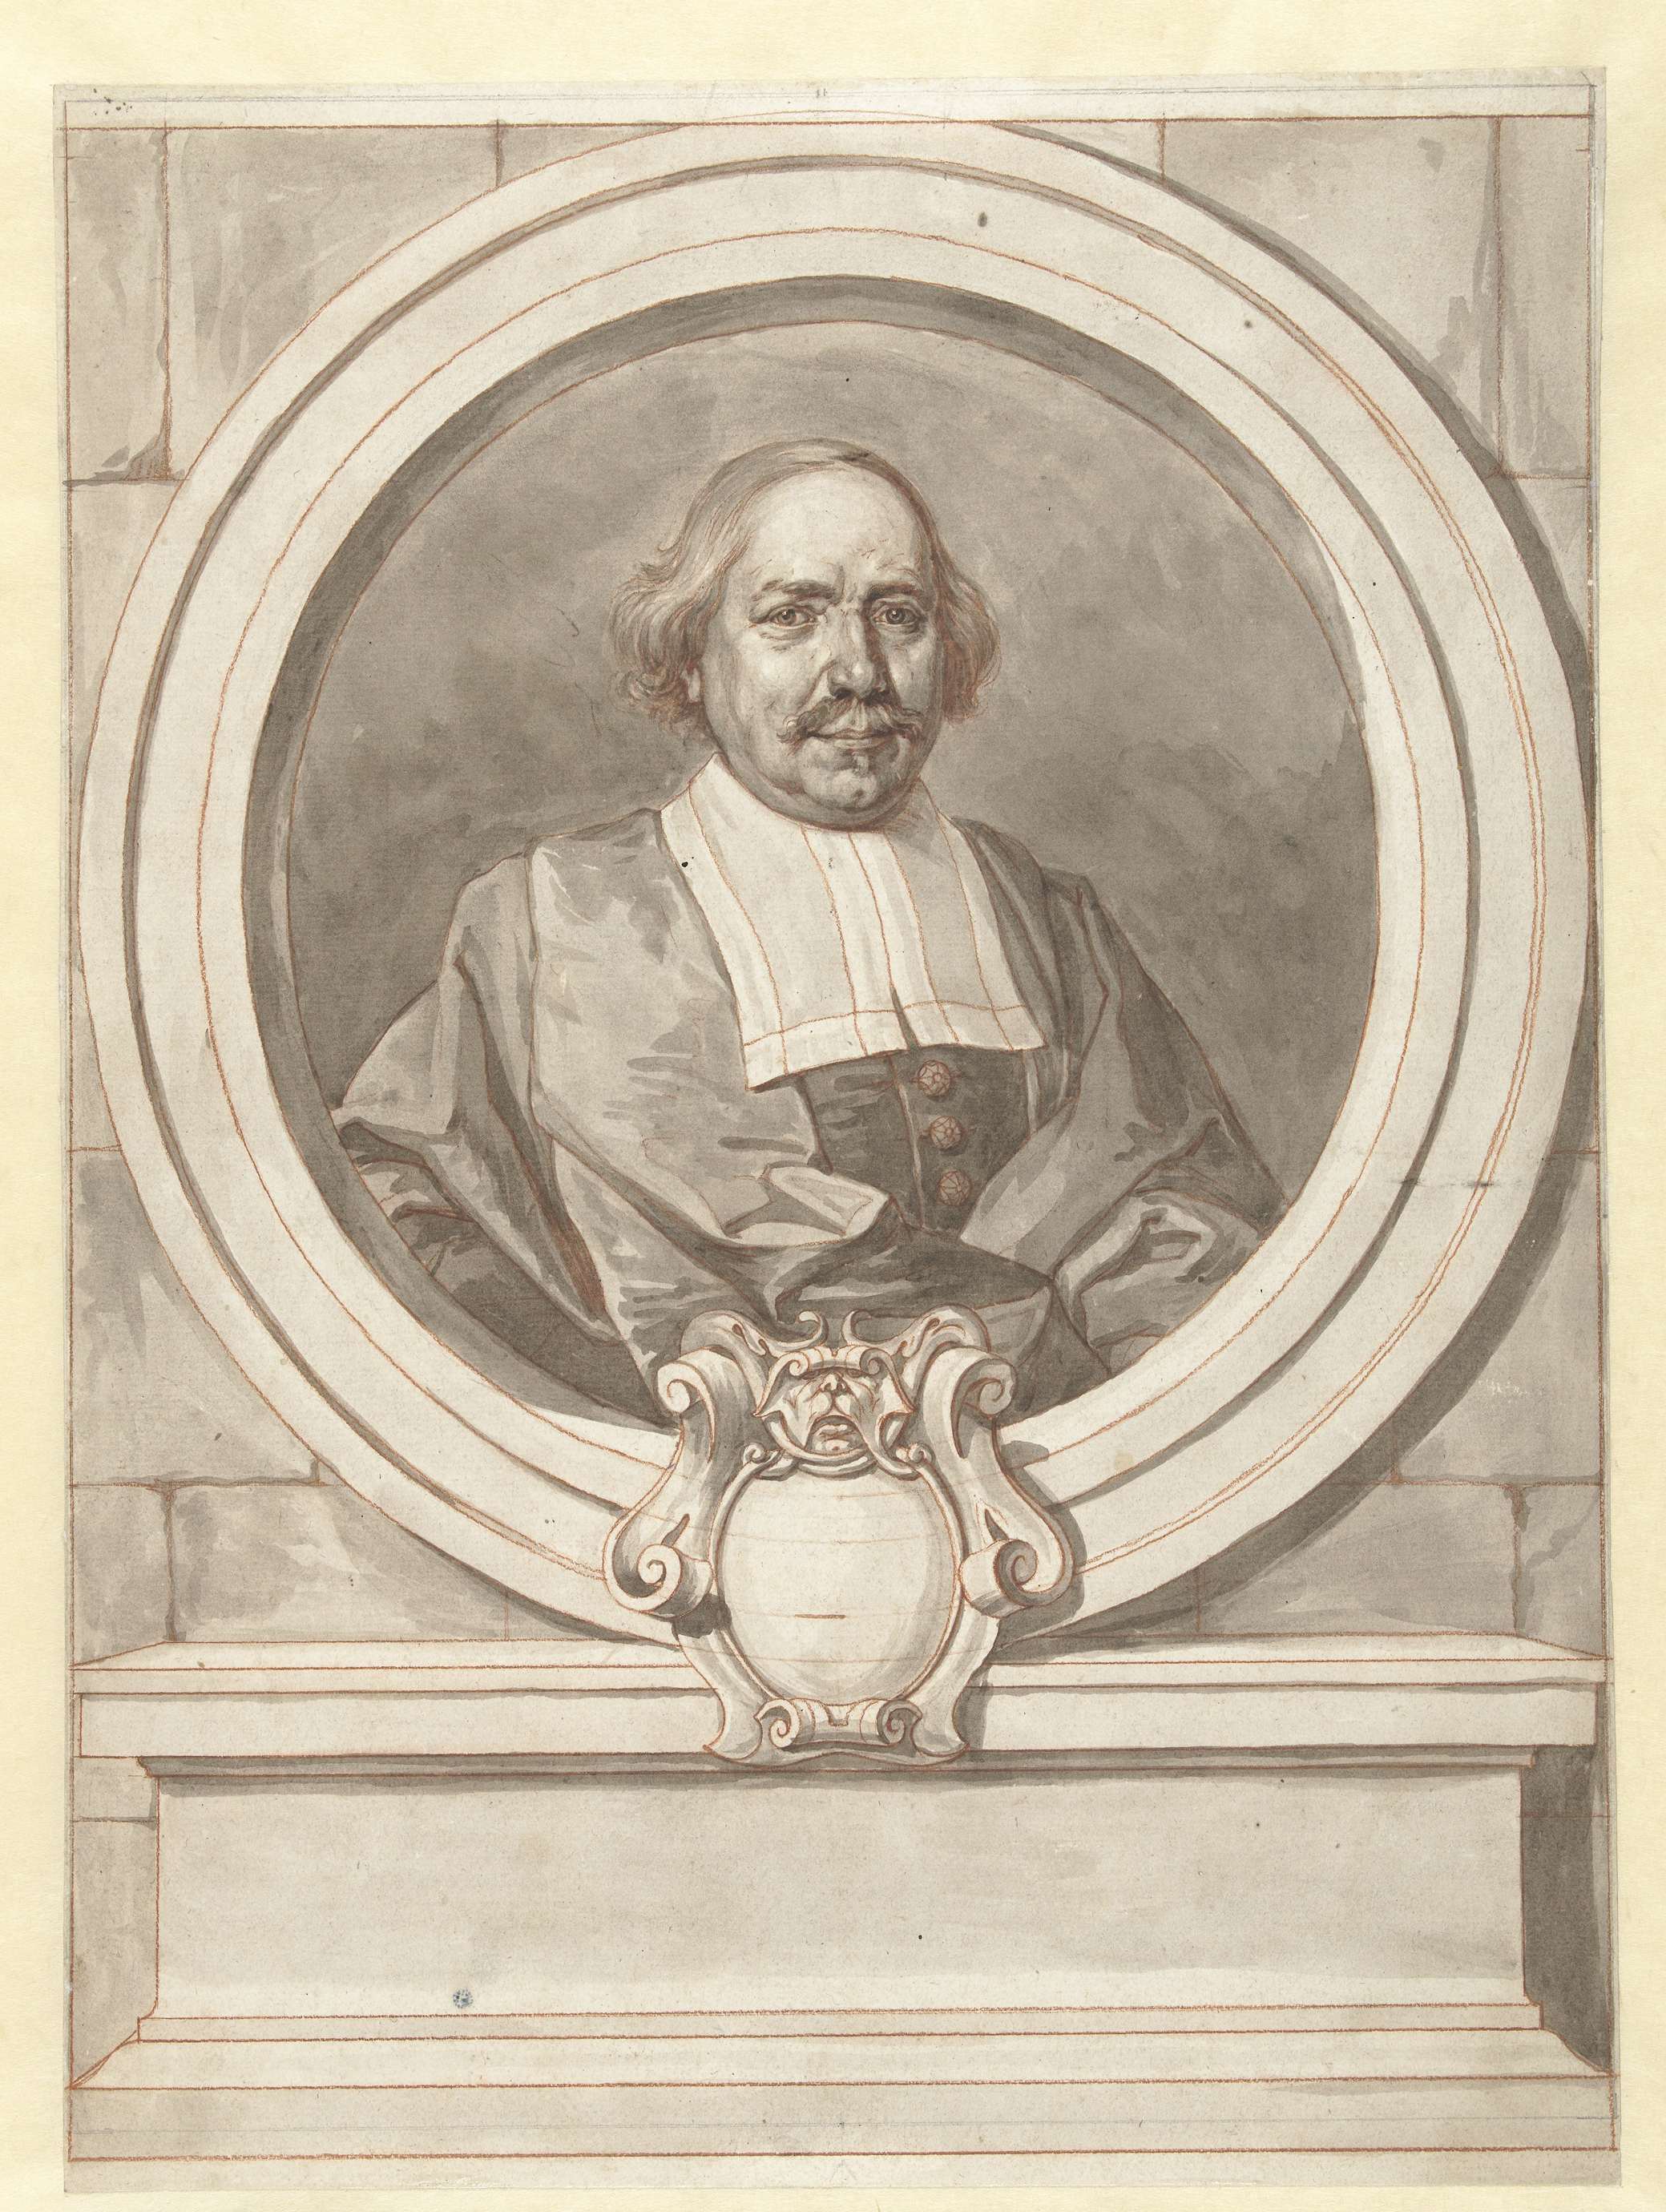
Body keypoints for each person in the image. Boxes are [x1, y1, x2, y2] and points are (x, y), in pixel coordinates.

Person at [337, 439, 1283, 1420]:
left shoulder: (1049, 918)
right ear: (692, 658)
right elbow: (396, 1200)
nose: (861, 671)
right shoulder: (551, 914)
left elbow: (1187, 1212)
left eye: (898, 616)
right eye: (792, 616)